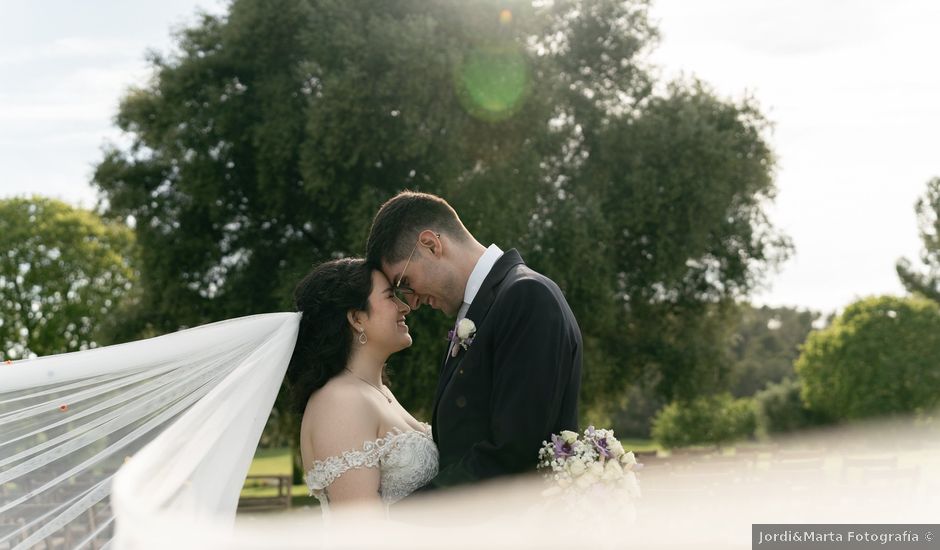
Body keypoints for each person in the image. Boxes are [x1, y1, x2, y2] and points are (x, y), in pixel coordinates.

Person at [365, 191, 583, 488]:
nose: (412, 303)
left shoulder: (526, 297)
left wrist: (399, 518)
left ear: (431, 245)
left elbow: (512, 454)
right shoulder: (477, 310)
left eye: (405, 283)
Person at [285, 258, 438, 515]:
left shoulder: (377, 391)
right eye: (391, 297)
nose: (405, 307)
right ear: (357, 318)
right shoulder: (339, 401)